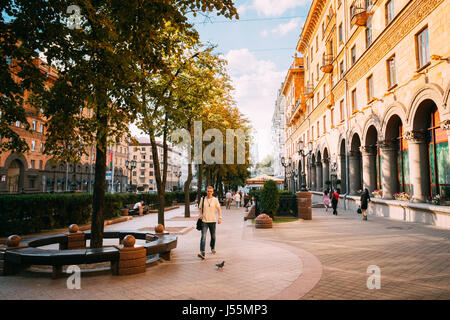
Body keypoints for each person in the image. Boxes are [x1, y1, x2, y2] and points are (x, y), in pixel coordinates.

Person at [198, 186, 223, 259]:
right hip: (204, 221)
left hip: (213, 221)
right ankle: (202, 252)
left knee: (213, 236)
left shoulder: (215, 200)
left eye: (211, 191)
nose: (209, 192)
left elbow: (219, 209)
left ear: (213, 192)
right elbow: (200, 208)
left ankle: (212, 247)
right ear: (206, 191)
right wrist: (200, 215)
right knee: (203, 236)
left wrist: (220, 218)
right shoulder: (203, 199)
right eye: (208, 191)